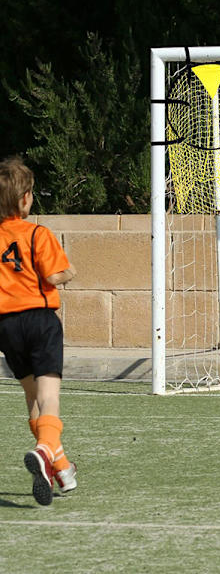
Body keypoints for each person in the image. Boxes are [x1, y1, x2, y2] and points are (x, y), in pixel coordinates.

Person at [0, 156, 77, 505]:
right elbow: (53, 274)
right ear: (26, 198)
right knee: (49, 399)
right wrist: (69, 272)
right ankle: (45, 449)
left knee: (32, 399)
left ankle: (61, 468)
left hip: (6, 326)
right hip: (40, 321)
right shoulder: (37, 234)